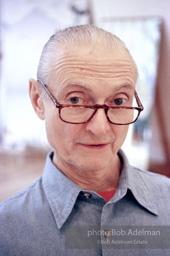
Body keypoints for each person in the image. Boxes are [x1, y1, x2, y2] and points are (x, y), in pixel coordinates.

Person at [0, 24, 170, 256]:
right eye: (76, 100)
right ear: (38, 100)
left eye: (119, 101)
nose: (100, 129)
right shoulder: (7, 231)